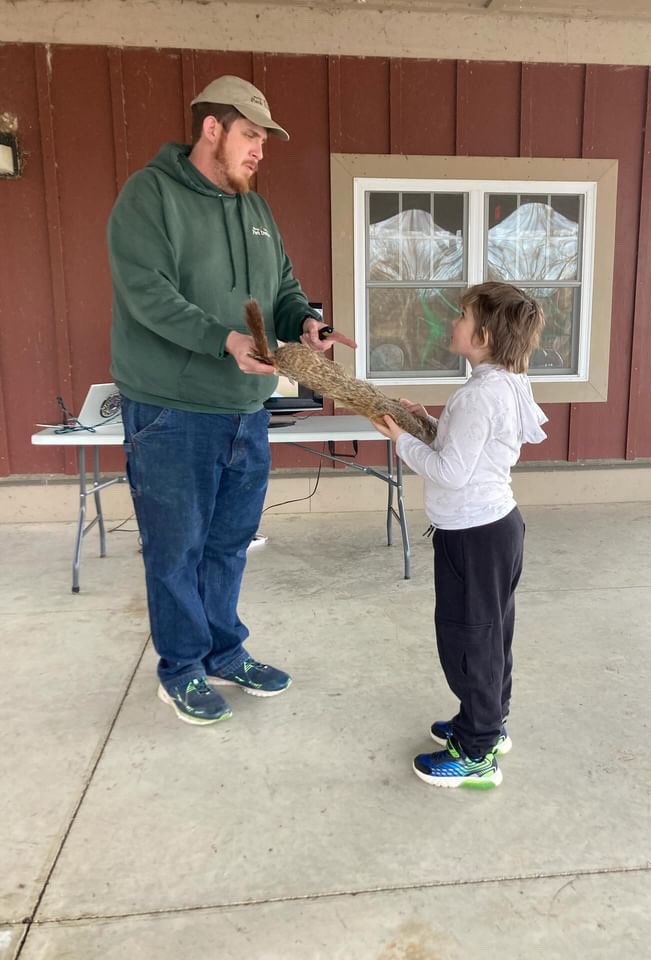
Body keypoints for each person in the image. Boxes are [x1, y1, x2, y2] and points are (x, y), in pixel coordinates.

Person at [108, 75, 354, 726]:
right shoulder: (149, 196)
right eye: (250, 135)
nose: (260, 150)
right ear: (211, 129)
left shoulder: (255, 209)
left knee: (229, 543)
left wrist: (305, 321)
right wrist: (222, 339)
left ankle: (223, 650)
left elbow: (283, 288)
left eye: (264, 140)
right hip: (171, 409)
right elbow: (146, 292)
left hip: (244, 408)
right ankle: (181, 668)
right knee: (176, 547)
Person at [373, 282, 547, 788]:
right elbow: (475, 450)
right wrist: (427, 422)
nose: (453, 322)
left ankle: (476, 753)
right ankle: (488, 722)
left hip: (472, 536)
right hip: (495, 529)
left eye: (462, 316)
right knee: (491, 635)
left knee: (468, 639)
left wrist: (401, 439)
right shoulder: (507, 382)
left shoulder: (478, 395)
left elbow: (449, 472)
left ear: (484, 335)